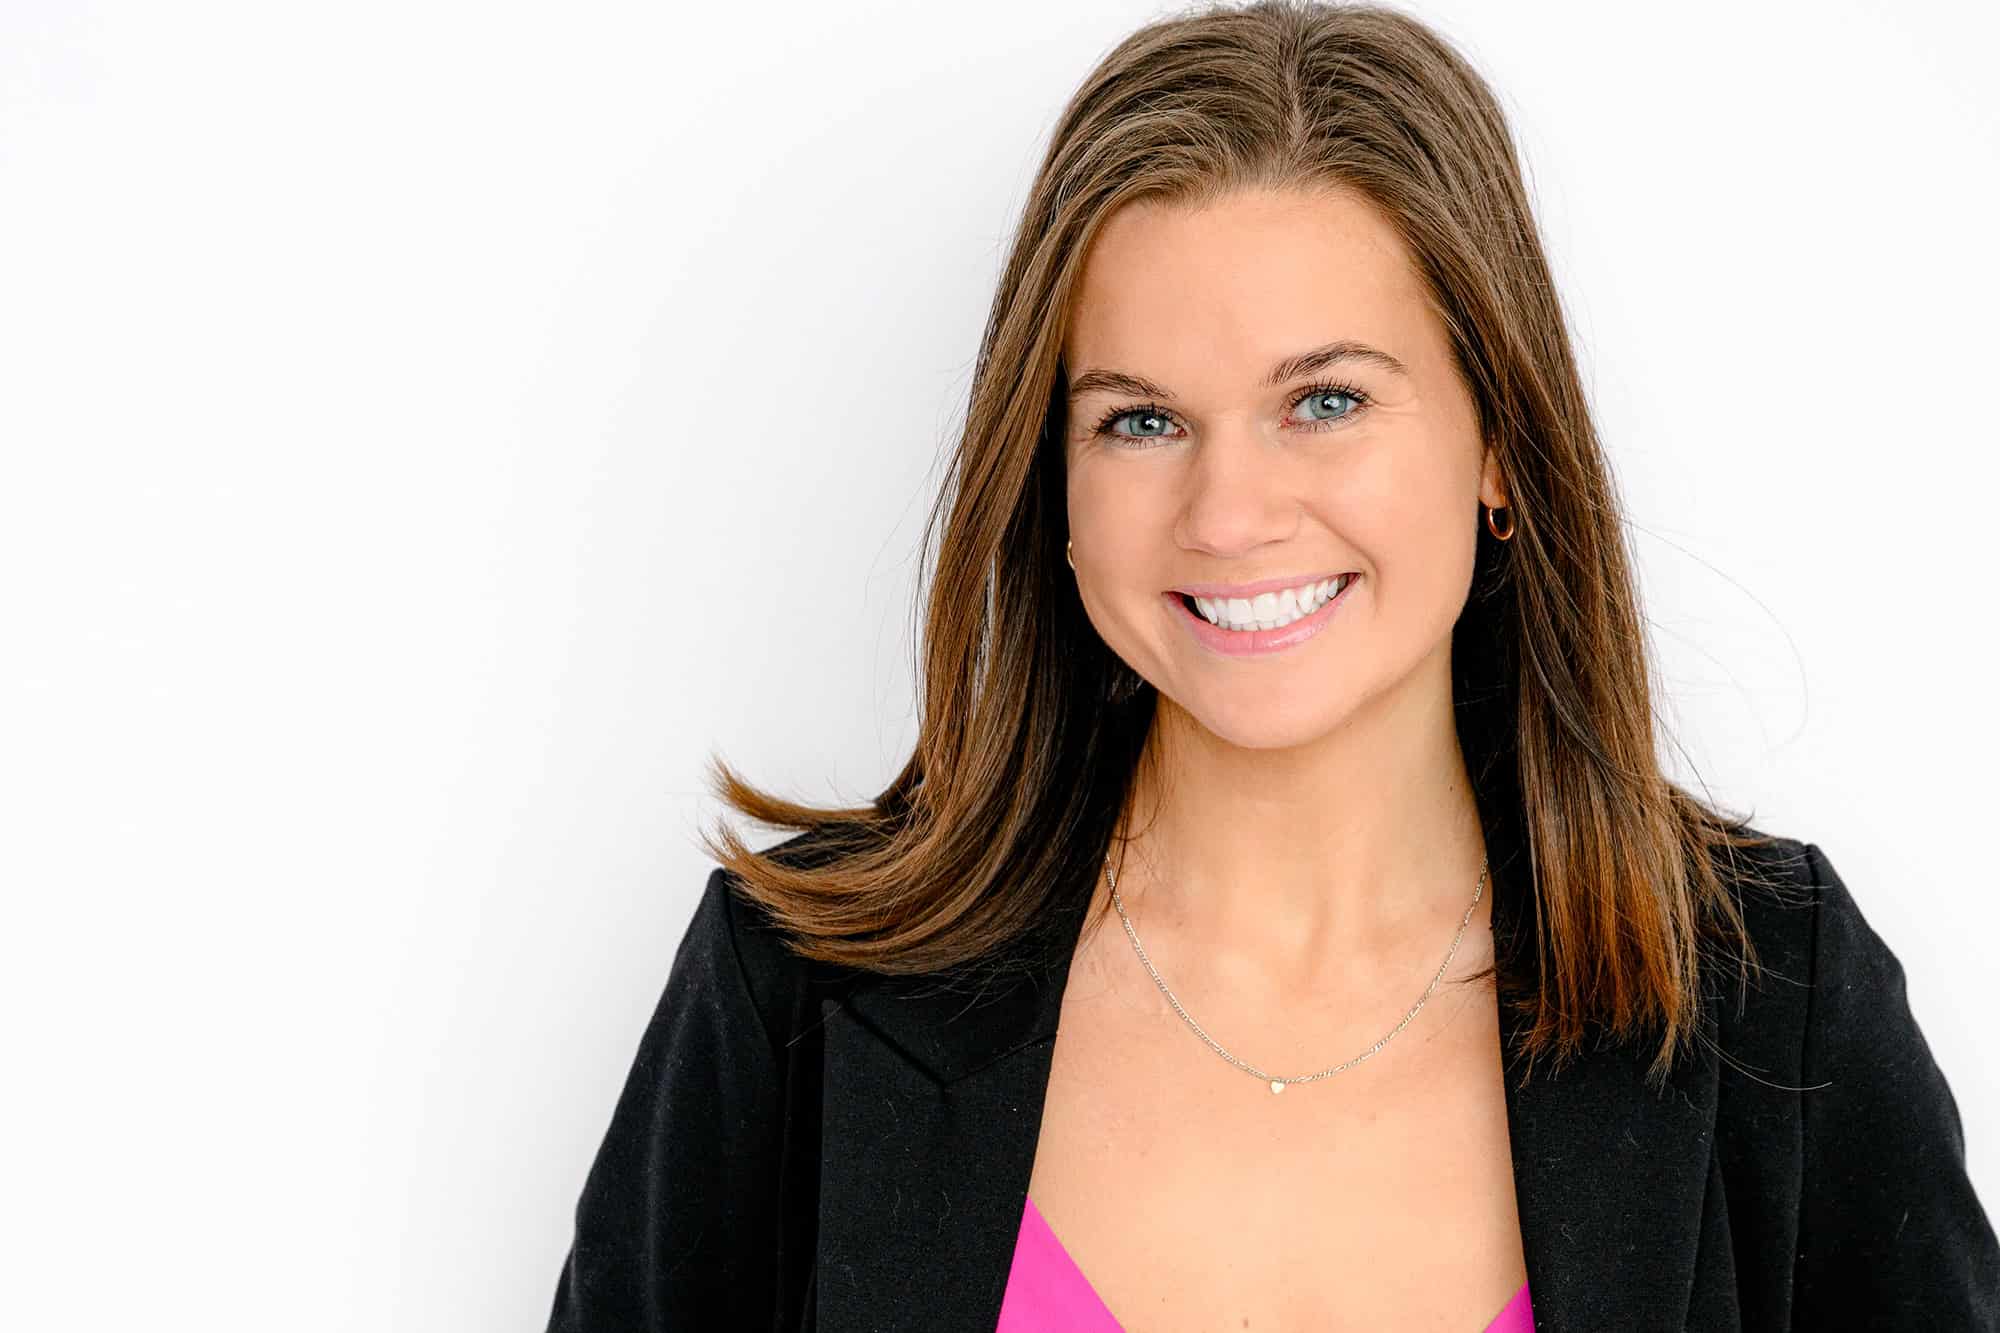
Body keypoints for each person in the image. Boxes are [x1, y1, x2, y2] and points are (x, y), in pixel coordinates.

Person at [542, 1, 2000, 1328]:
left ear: (1499, 440)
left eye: (1324, 399)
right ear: (1049, 474)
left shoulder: (1770, 1002)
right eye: (1140, 420)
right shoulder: (796, 995)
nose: (1230, 515)